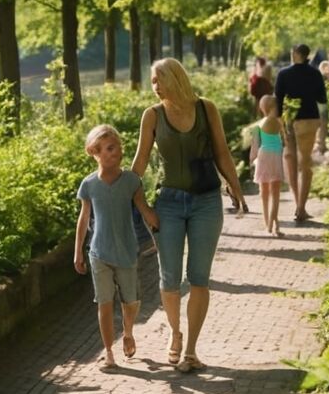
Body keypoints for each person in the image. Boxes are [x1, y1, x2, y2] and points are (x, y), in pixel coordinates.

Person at [130, 58, 248, 372]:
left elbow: (222, 151)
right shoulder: (152, 116)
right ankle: (175, 333)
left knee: (198, 278)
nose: (155, 87)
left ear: (175, 77)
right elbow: (140, 162)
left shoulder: (206, 109)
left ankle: (192, 350)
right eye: (152, 81)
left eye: (159, 80)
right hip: (168, 204)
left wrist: (236, 189)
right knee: (169, 280)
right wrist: (130, 199)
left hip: (207, 202)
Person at [74, 124, 160, 369]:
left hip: (126, 250)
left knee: (131, 301)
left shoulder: (131, 181)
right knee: (104, 302)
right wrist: (77, 250)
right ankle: (109, 352)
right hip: (98, 252)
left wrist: (162, 231)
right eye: (109, 148)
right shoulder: (88, 185)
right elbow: (83, 219)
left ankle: (128, 331)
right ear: (94, 152)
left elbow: (145, 211)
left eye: (117, 147)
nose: (116, 151)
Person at [275, 44, 328, 224]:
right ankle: (301, 208)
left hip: (289, 120)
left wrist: (278, 121)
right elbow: (322, 99)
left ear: (295, 54)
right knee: (305, 163)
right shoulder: (315, 74)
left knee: (290, 159)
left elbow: (278, 99)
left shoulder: (283, 74)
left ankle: (297, 202)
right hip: (309, 119)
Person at [248, 95, 287, 237]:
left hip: (263, 156)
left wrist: (252, 160)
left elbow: (254, 146)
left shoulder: (258, 125)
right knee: (275, 192)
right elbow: (285, 141)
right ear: (272, 108)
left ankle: (268, 225)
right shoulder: (279, 122)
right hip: (275, 156)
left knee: (263, 192)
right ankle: (274, 224)